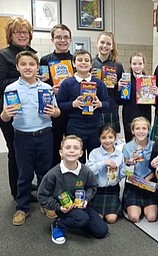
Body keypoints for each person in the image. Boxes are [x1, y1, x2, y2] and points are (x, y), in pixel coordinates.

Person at [0, 51, 60, 226]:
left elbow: (57, 112)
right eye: (24, 64)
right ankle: (22, 207)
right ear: (18, 67)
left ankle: (45, 203)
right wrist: (4, 114)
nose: (28, 67)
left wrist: (55, 112)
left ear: (37, 67)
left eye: (31, 64)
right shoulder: (10, 89)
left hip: (45, 136)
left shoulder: (46, 88)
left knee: (44, 173)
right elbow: (4, 118)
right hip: (22, 137)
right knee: (24, 174)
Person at [38, 135, 108, 245]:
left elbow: (92, 187)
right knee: (82, 218)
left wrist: (86, 199)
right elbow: (42, 196)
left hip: (82, 206)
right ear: (61, 152)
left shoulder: (85, 171)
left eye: (76, 148)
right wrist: (59, 207)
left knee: (101, 231)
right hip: (63, 210)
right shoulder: (53, 174)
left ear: (81, 153)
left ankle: (78, 221)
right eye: (68, 147)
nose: (71, 151)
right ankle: (58, 224)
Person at [0, 16, 36, 200]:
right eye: (18, 32)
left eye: (26, 32)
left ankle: (26, 183)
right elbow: (1, 83)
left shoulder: (31, 53)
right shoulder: (3, 55)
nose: (22, 35)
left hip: (30, 110)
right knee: (15, 151)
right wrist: (26, 77)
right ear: (10, 35)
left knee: (28, 151)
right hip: (11, 112)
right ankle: (17, 191)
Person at [57, 49, 110, 163]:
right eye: (80, 60)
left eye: (86, 60)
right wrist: (73, 104)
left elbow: (107, 103)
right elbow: (59, 104)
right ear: (74, 63)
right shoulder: (67, 83)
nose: (83, 63)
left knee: (95, 159)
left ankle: (92, 181)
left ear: (91, 64)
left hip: (95, 126)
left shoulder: (99, 83)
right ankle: (77, 181)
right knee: (76, 158)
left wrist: (100, 104)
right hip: (75, 126)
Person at [39, 24, 73, 167]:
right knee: (54, 146)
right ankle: (54, 178)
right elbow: (41, 85)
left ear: (70, 40)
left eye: (66, 37)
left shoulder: (76, 59)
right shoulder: (45, 60)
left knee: (72, 145)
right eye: (58, 37)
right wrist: (50, 89)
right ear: (52, 39)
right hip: (53, 109)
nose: (62, 40)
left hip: (72, 109)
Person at [122, 117, 157, 223]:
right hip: (133, 183)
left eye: (144, 128)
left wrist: (149, 177)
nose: (141, 131)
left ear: (148, 130)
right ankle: (130, 204)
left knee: (151, 217)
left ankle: (147, 206)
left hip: (149, 182)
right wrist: (131, 163)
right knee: (134, 218)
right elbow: (126, 173)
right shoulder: (127, 147)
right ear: (133, 131)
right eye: (137, 128)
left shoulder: (154, 145)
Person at [86, 125, 125, 223]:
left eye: (110, 137)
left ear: (115, 138)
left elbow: (121, 175)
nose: (107, 141)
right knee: (98, 218)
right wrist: (103, 163)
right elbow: (89, 171)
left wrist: (128, 167)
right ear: (99, 139)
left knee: (111, 219)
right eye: (103, 137)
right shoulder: (94, 153)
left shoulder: (120, 155)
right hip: (97, 190)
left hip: (112, 189)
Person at [118, 52, 158, 142]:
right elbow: (119, 101)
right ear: (130, 65)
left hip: (144, 114)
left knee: (144, 141)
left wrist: (156, 94)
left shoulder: (149, 81)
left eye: (140, 63)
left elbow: (154, 103)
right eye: (134, 64)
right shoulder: (126, 80)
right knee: (130, 142)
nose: (137, 66)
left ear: (144, 65)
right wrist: (119, 89)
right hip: (129, 116)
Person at [92, 32, 124, 134]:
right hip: (92, 107)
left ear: (112, 47)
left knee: (110, 140)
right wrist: (88, 78)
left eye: (108, 44)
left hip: (110, 108)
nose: (104, 46)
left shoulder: (118, 66)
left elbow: (123, 93)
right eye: (102, 42)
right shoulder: (90, 63)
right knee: (94, 140)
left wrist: (117, 86)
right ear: (96, 44)